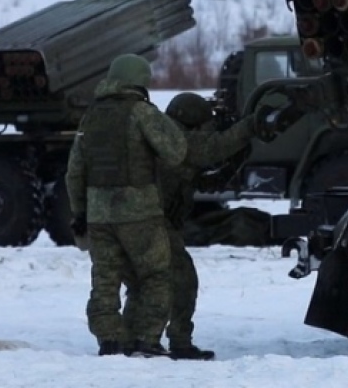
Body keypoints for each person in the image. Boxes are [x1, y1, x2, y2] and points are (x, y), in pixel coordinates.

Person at [122, 92, 301, 360]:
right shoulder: (179, 139)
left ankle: (133, 340)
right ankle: (175, 342)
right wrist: (251, 125)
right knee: (183, 280)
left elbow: (209, 183)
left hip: (143, 221)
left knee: (144, 282)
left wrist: (240, 153)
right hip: (151, 222)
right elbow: (215, 148)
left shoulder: (166, 138)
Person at [66, 53, 188, 358]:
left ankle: (110, 340)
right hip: (140, 212)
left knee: (105, 279)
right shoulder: (141, 112)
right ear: (141, 81)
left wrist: (80, 212)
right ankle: (146, 339)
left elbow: (74, 172)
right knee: (156, 275)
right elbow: (175, 153)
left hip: (98, 213)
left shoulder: (91, 116)